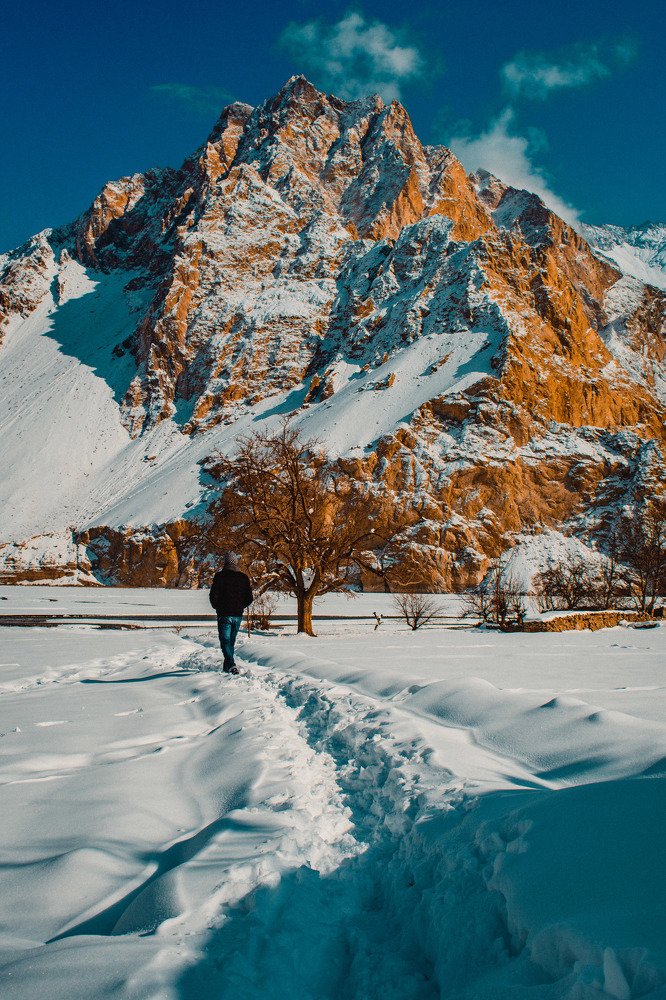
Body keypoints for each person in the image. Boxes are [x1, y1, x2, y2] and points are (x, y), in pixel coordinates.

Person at [209, 552, 253, 674]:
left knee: (225, 641)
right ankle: (227, 667)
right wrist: (240, 606)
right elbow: (249, 598)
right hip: (237, 614)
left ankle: (231, 665)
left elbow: (213, 595)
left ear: (225, 562)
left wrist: (218, 607)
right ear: (236, 562)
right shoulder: (243, 578)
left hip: (224, 614)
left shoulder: (219, 576)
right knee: (230, 641)